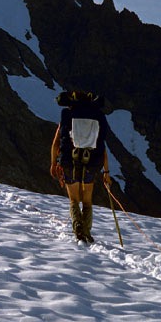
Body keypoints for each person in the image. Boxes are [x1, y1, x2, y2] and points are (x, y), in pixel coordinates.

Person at [50, 91, 111, 243]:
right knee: (87, 200)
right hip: (91, 162)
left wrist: (53, 163)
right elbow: (102, 148)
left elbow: (56, 143)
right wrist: (106, 171)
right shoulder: (98, 116)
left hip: (69, 161)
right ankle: (86, 231)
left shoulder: (67, 115)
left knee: (74, 200)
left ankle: (77, 226)